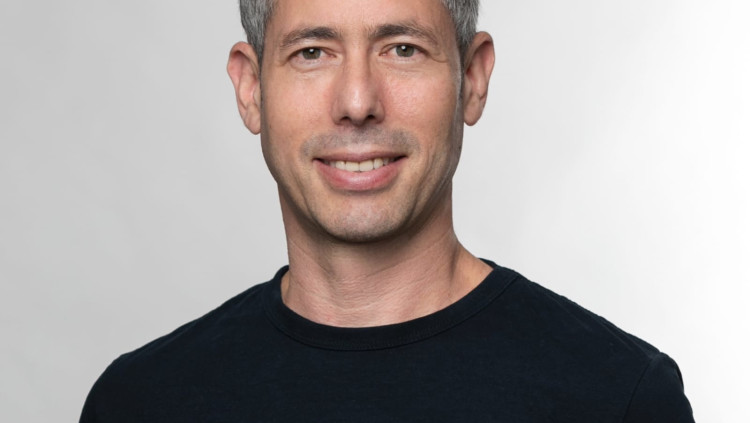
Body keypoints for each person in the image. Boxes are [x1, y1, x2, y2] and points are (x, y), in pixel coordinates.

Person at [80, 0, 694, 421]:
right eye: (312, 52)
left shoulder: (618, 398)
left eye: (402, 49)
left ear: (472, 79)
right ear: (250, 89)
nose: (357, 102)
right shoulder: (138, 404)